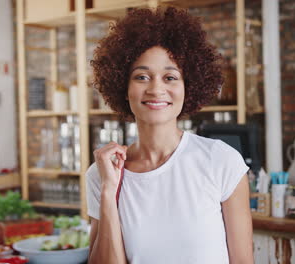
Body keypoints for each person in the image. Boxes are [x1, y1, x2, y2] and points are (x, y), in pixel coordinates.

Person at [85, 6, 253, 264]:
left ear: (189, 87)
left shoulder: (221, 161)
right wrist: (109, 191)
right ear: (123, 86)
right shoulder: (102, 173)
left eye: (170, 77)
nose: (156, 88)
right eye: (142, 76)